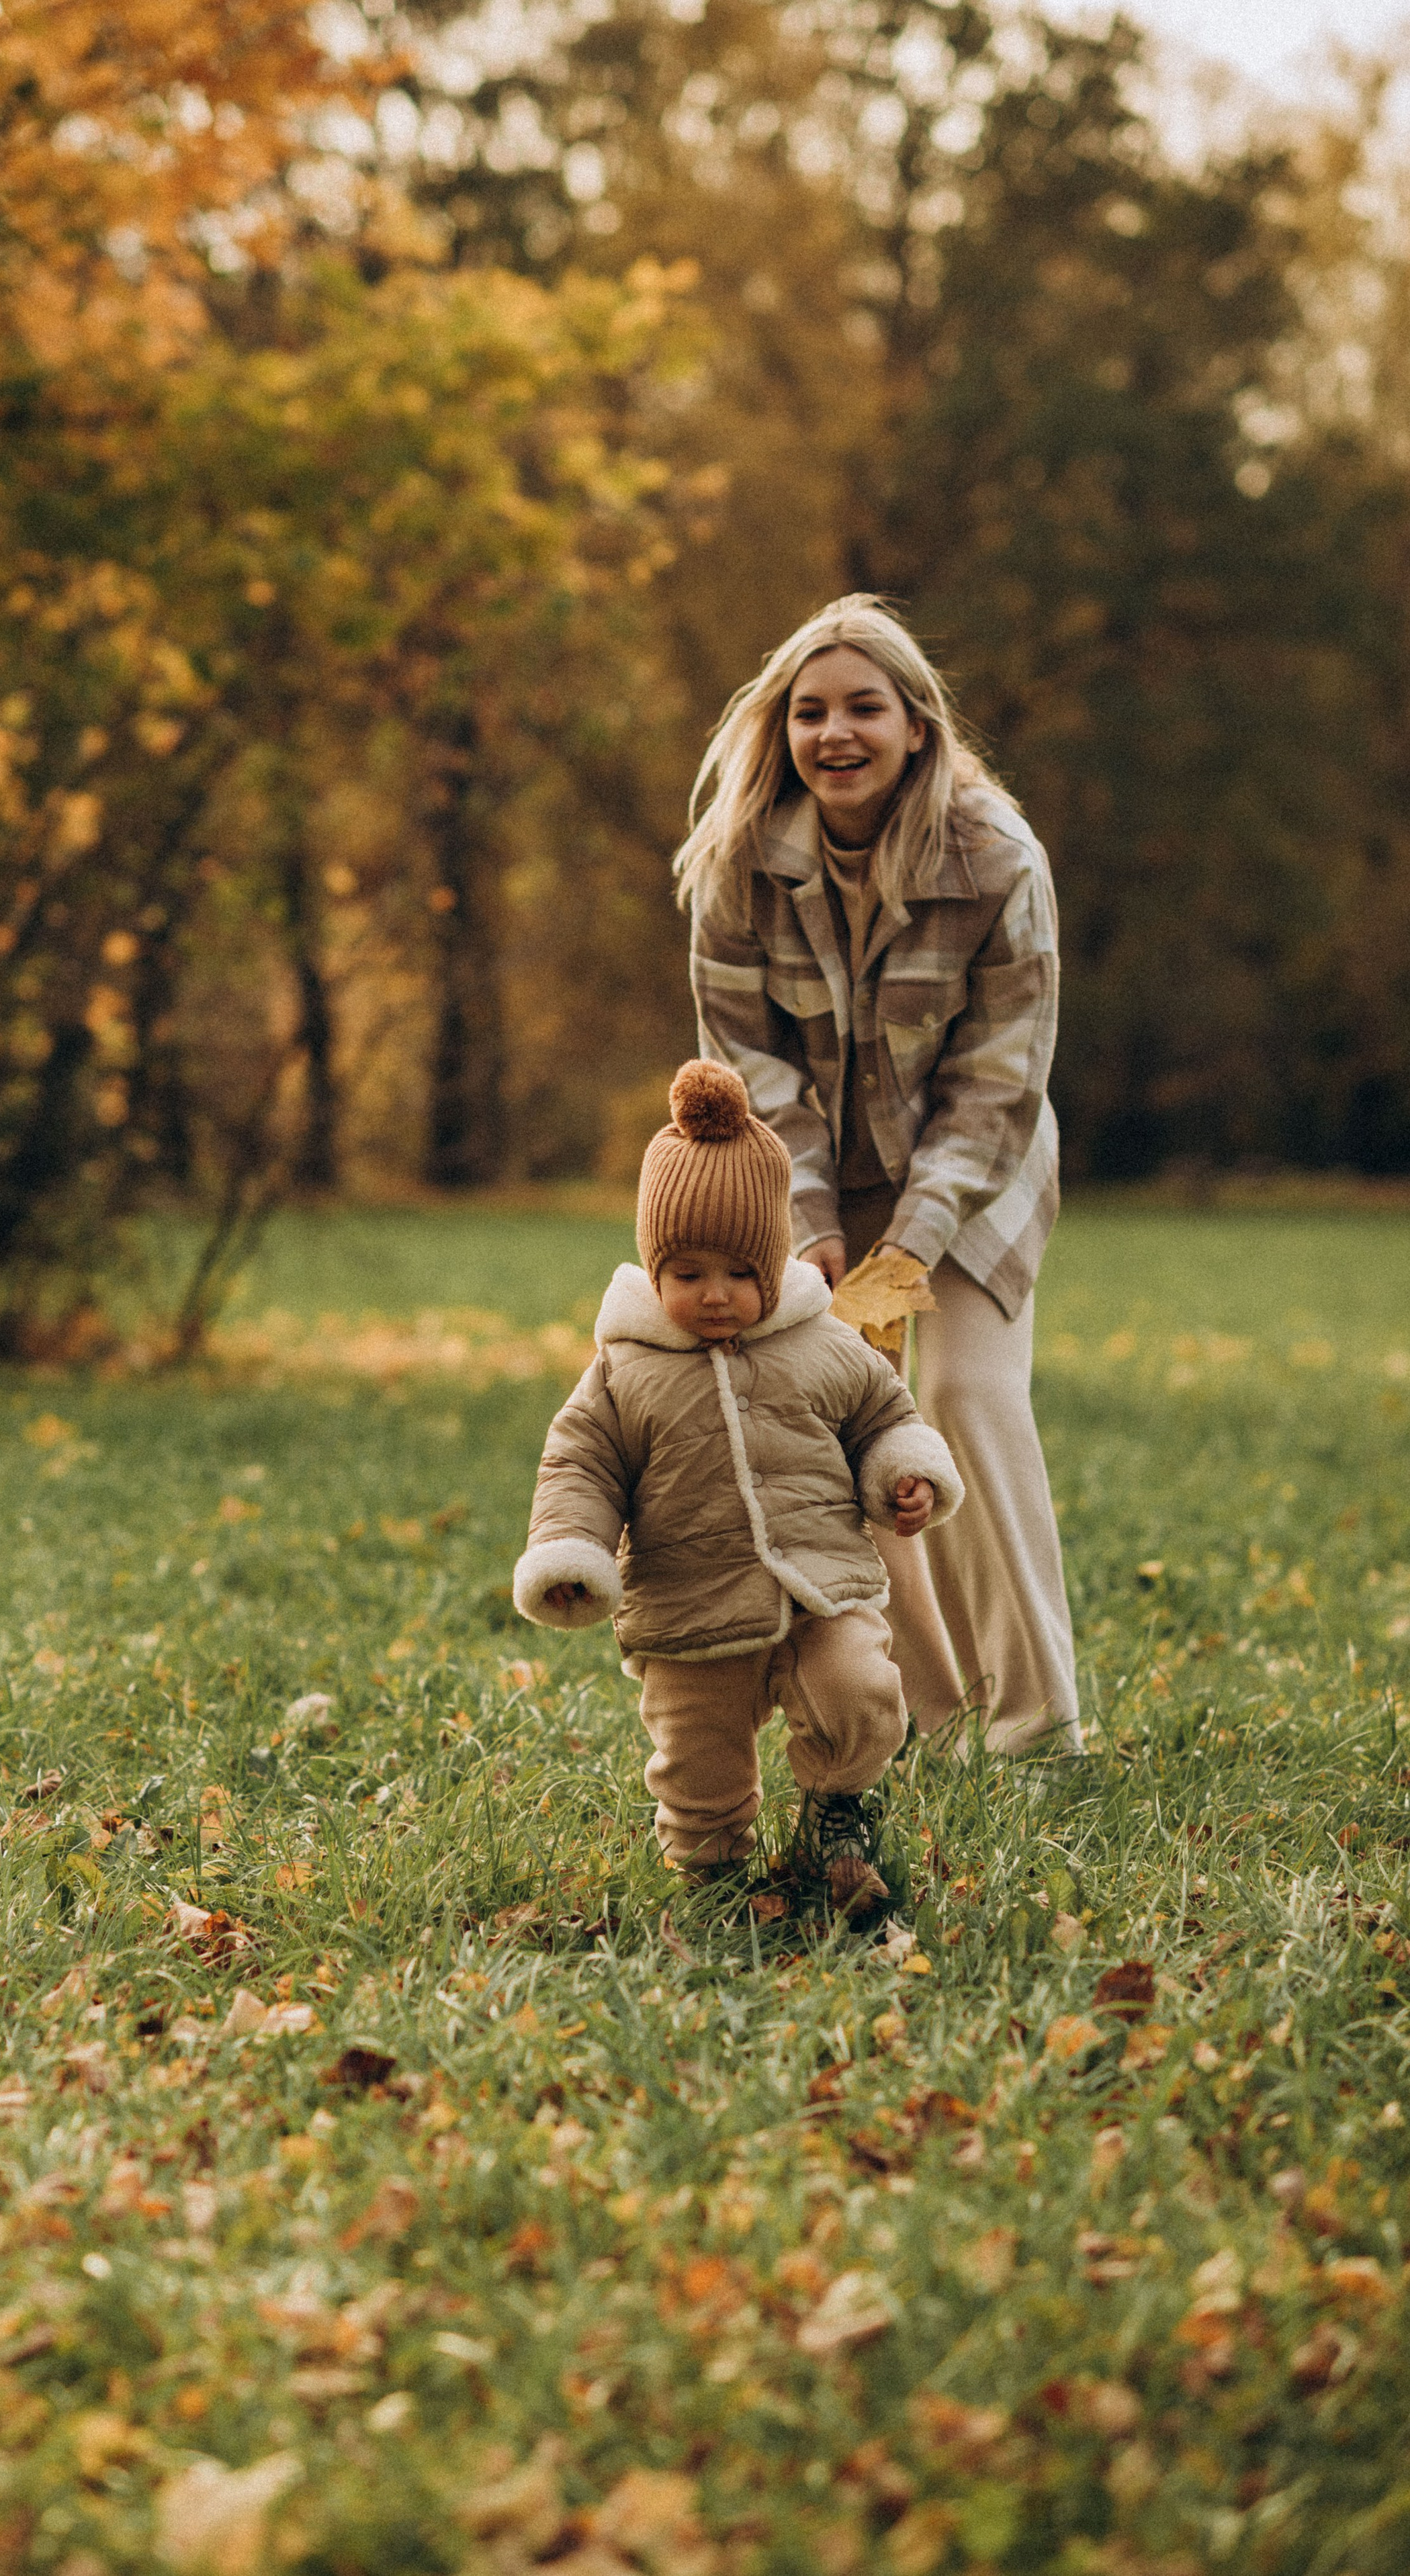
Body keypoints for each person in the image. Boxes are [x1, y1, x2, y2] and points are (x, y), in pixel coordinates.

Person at [677, 594, 1081, 1758]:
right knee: (846, 1423)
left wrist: (915, 1241)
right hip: (814, 1181)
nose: (835, 732)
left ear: (916, 725)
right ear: (783, 729)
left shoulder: (998, 859)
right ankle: (935, 1719)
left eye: (864, 707)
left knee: (961, 1395)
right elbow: (750, 1069)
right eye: (810, 712)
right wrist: (807, 1218)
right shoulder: (738, 863)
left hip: (977, 1173)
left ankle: (1038, 1723)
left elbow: (998, 1081)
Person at [511, 1059, 963, 1913]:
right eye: (687, 1275)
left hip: (819, 1587)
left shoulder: (822, 1344)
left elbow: (882, 1413)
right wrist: (570, 1549)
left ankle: (836, 1820)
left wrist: (904, 1471)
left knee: (859, 1690)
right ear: (654, 1271)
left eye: (738, 1273)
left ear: (772, 1265)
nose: (715, 1295)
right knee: (697, 1752)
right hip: (691, 1603)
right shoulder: (624, 1371)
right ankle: (712, 1874)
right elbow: (580, 1463)